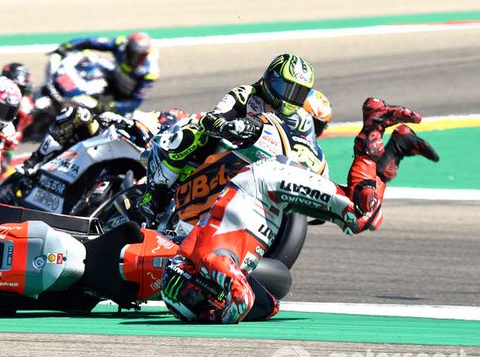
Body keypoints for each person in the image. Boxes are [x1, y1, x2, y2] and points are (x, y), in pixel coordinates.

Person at [161, 97, 439, 323]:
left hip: (269, 185)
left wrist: (214, 317)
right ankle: (397, 148)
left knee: (358, 211)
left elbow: (242, 299)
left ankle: (374, 123)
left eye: (190, 295)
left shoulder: (208, 258)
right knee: (366, 218)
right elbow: (269, 306)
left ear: (189, 274)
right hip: (272, 198)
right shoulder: (204, 259)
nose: (198, 301)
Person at [137, 53, 319, 225]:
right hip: (224, 151)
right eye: (288, 89)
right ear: (272, 80)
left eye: (299, 93)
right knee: (194, 134)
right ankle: (153, 196)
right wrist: (225, 126)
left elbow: (307, 146)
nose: (291, 98)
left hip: (263, 163)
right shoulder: (245, 94)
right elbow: (212, 117)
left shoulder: (301, 118)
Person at [53, 31, 159, 115]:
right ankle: (68, 88)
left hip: (123, 98)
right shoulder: (120, 44)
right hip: (113, 77)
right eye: (134, 53)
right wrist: (69, 45)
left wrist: (112, 106)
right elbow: (92, 41)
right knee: (88, 58)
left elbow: (135, 102)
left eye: (141, 55)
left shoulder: (149, 72)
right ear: (128, 47)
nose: (136, 58)